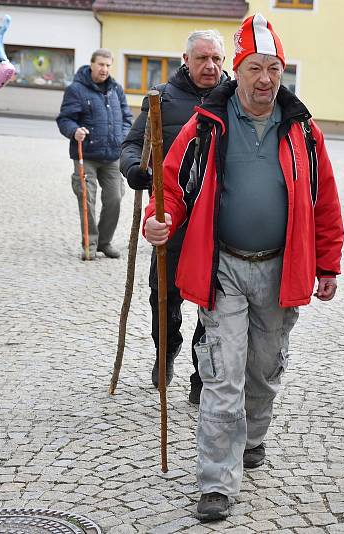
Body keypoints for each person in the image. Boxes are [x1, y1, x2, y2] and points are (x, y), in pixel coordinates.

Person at [143, 14, 343, 522]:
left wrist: (328, 263)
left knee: (263, 369)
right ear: (238, 70)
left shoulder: (303, 129)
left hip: (281, 270)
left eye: (274, 68)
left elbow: (324, 202)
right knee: (223, 374)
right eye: (255, 67)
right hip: (224, 267)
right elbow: (172, 184)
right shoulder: (208, 123)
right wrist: (158, 220)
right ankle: (216, 481)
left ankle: (254, 435)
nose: (265, 79)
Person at [120, 30, 229, 401]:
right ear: (186, 60)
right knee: (163, 295)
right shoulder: (163, 99)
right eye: (202, 59)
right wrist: (135, 168)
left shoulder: (234, 101)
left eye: (216, 59)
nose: (210, 66)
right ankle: (165, 350)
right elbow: (133, 144)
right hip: (172, 218)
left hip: (216, 221)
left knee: (212, 300)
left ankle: (202, 372)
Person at [57, 49, 132, 260]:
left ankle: (104, 242)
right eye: (101, 64)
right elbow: (65, 119)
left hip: (112, 155)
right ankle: (89, 243)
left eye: (108, 65)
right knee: (86, 199)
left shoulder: (116, 89)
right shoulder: (76, 90)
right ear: (91, 64)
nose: (104, 69)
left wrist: (123, 136)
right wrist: (74, 131)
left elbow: (127, 118)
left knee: (115, 198)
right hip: (86, 154)